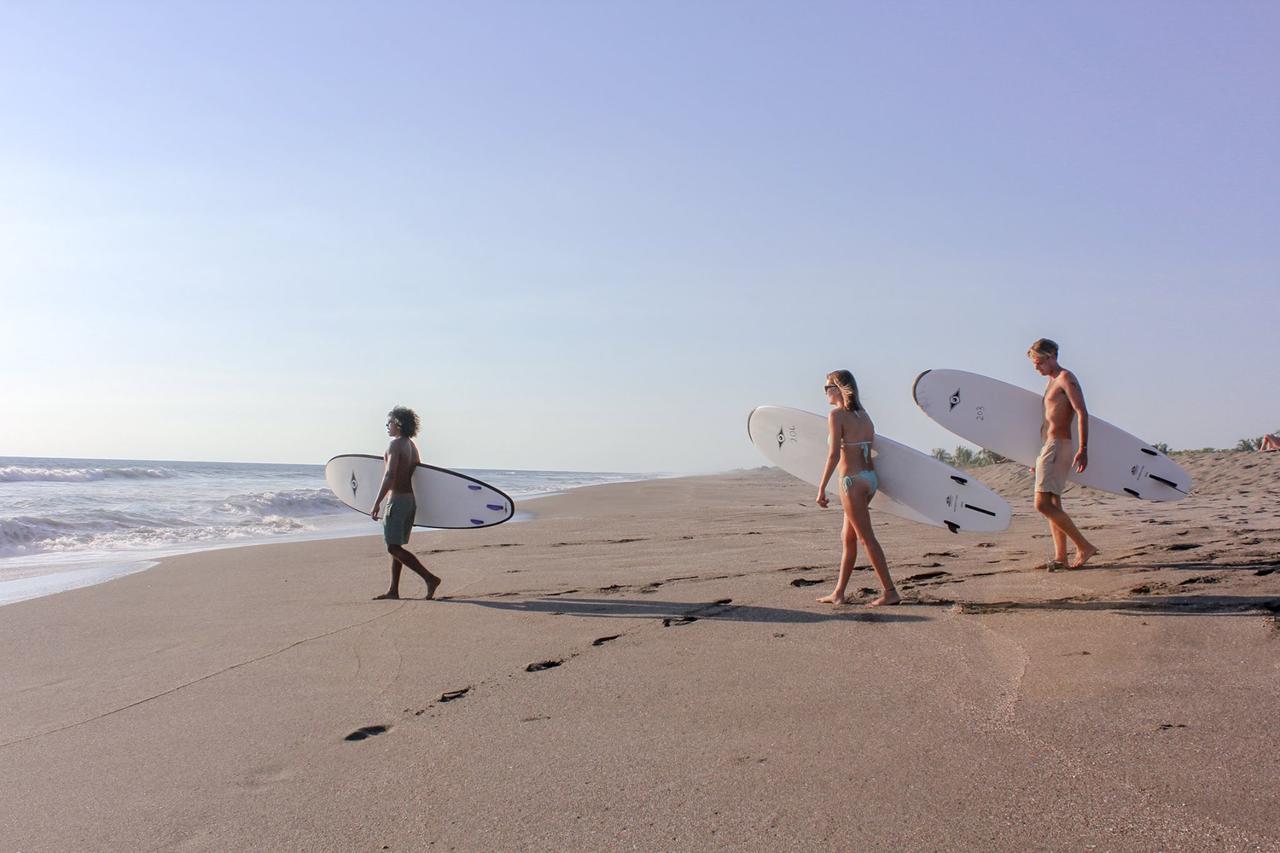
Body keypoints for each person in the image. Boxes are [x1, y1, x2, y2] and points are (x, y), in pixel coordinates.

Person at [814, 370, 900, 606]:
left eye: (826, 388)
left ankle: (890, 591)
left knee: (866, 539)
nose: (825, 393)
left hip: (851, 482)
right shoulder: (864, 416)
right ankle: (839, 592)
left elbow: (833, 455)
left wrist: (821, 488)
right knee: (848, 538)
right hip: (870, 479)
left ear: (837, 388)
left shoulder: (836, 416)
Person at [1027, 339, 1099, 570]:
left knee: (1042, 505)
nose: (1036, 367)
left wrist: (1083, 449)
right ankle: (1061, 557)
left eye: (1038, 362)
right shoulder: (1051, 382)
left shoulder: (1066, 378)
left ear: (1051, 357)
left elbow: (1082, 413)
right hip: (1049, 447)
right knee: (1053, 502)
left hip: (1058, 446)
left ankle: (1084, 546)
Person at [370, 406, 441, 600]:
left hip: (398, 500)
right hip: (409, 500)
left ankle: (429, 578)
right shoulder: (411, 445)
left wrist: (377, 502)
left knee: (393, 548)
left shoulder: (395, 445)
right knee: (396, 545)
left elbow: (390, 475)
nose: (387, 426)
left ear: (398, 424)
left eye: (389, 422)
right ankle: (393, 590)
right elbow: (417, 473)